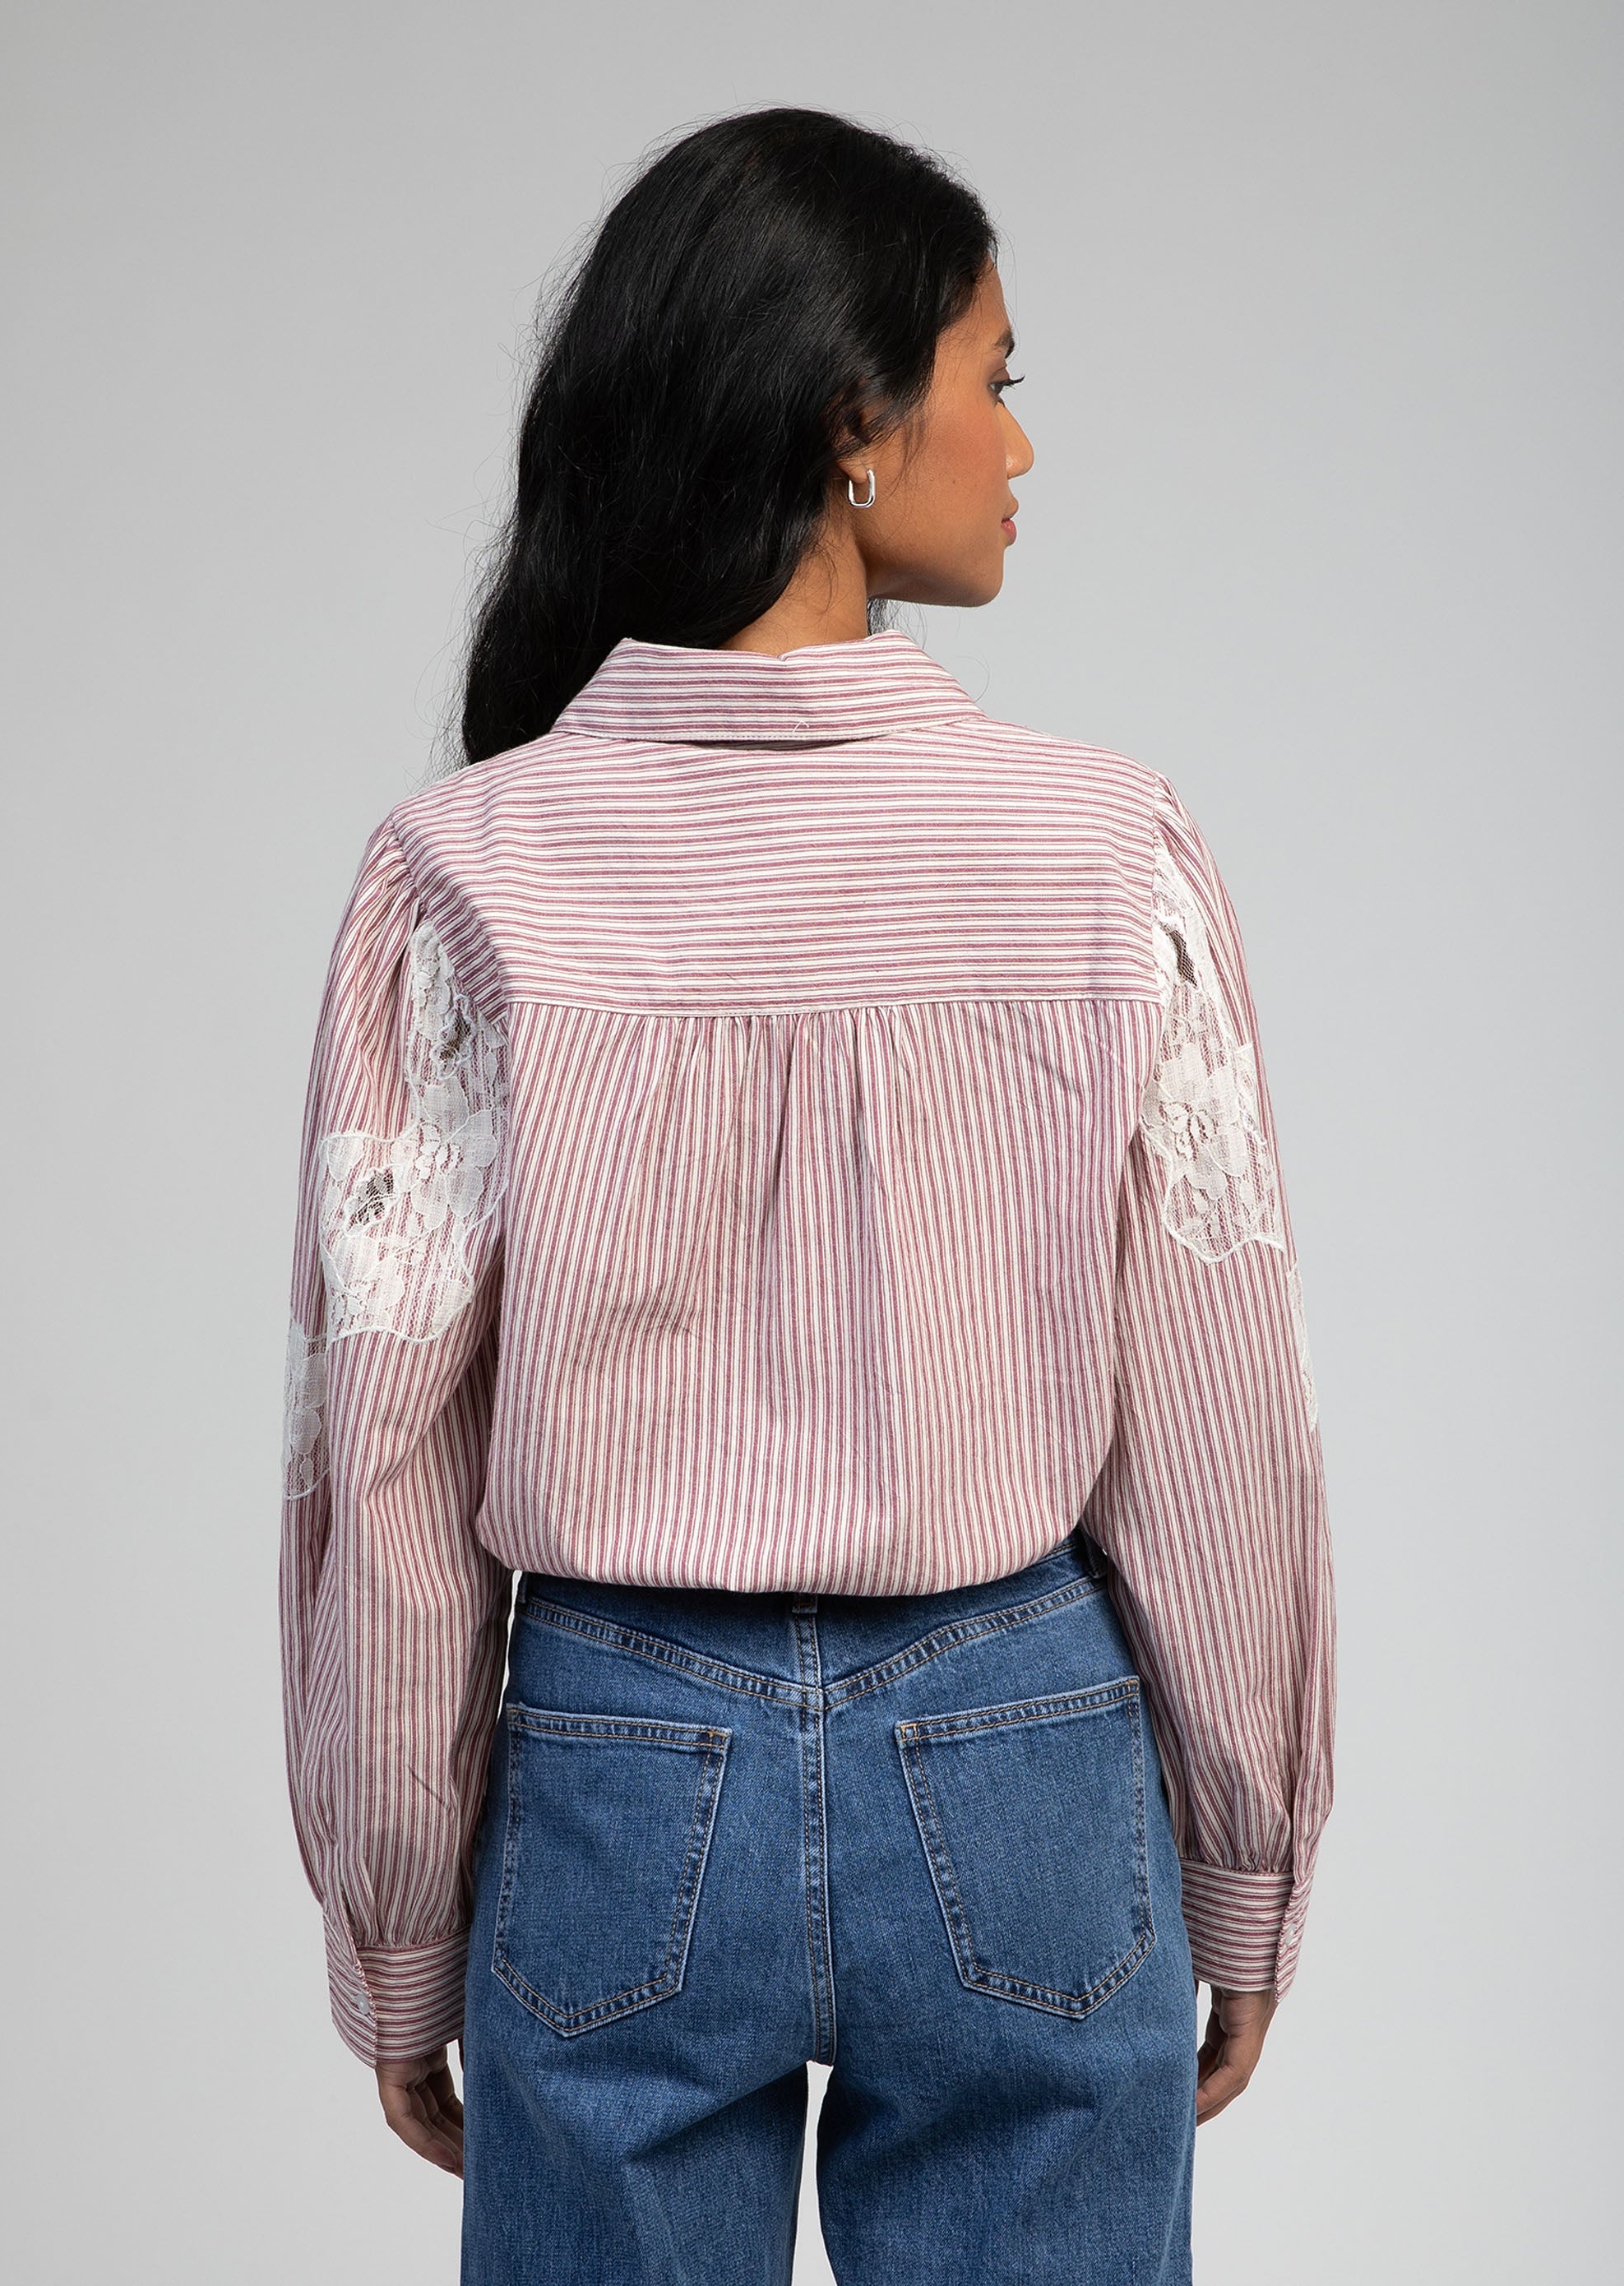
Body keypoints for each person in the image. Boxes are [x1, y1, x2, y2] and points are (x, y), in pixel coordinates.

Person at [279, 104, 1335, 2286]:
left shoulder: (464, 869)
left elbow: (385, 1452)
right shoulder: (1105, 853)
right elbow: (1220, 1418)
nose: (1021, 447)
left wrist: (396, 1922)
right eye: (993, 379)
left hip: (617, 1764)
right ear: (853, 420)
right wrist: (1246, 1854)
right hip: (1025, 1750)